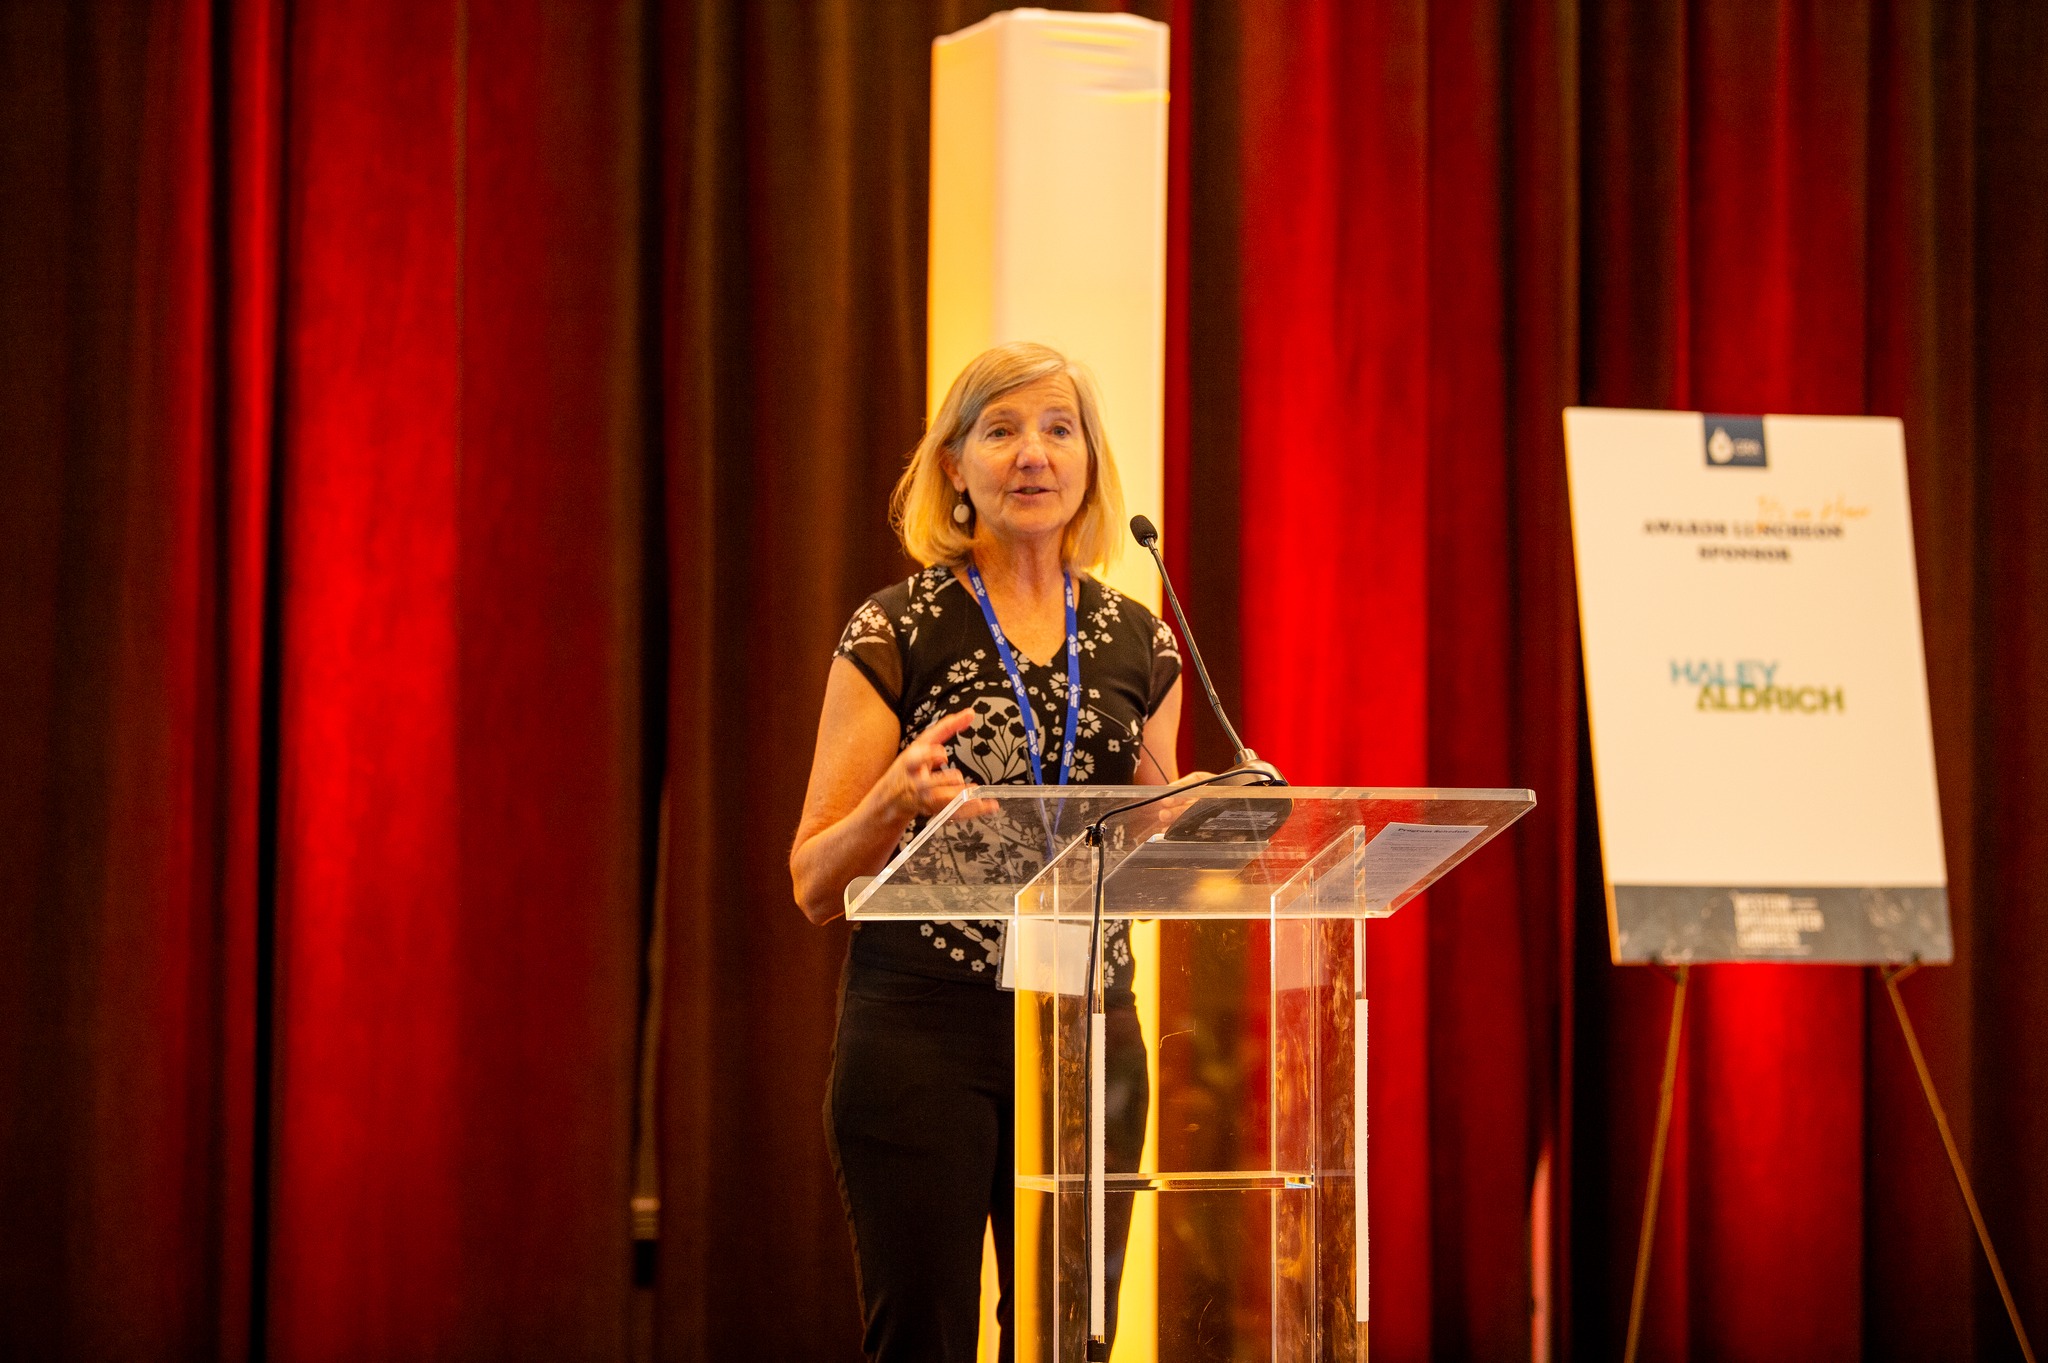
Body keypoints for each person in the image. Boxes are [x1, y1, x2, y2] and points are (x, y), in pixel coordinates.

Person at [790, 341, 1184, 1362]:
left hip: (1087, 1031)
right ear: (953, 466)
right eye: (999, 430)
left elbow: (1150, 835)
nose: (1032, 454)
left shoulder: (1141, 641)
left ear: (1089, 462)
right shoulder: (894, 628)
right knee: (921, 1336)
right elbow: (810, 881)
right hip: (924, 1028)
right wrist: (891, 799)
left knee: (1071, 1344)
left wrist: (1195, 816)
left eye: (1058, 429)